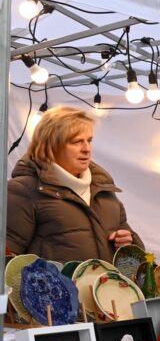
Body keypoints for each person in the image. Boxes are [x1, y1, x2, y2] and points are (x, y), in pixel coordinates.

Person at [6, 106, 143, 261]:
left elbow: (133, 263)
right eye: (77, 142)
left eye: (89, 140)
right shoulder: (23, 191)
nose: (87, 149)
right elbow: (7, 258)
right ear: (51, 145)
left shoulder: (104, 190)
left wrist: (128, 244)